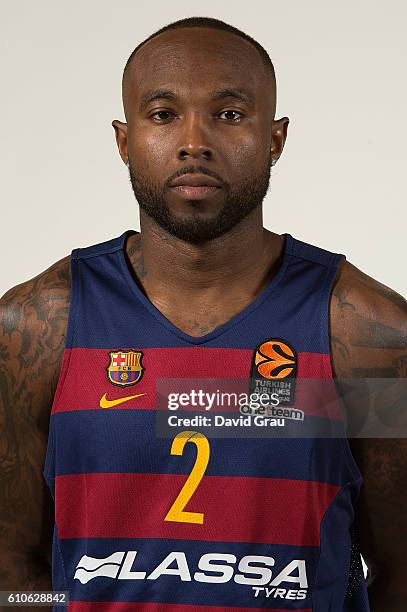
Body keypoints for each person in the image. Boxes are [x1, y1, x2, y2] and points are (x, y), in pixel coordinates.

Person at [0, 15, 406, 612]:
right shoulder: (35, 327)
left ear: (276, 138)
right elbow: (11, 569)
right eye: (163, 114)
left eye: (231, 114)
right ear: (123, 140)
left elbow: (400, 576)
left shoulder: (367, 334)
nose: (195, 141)